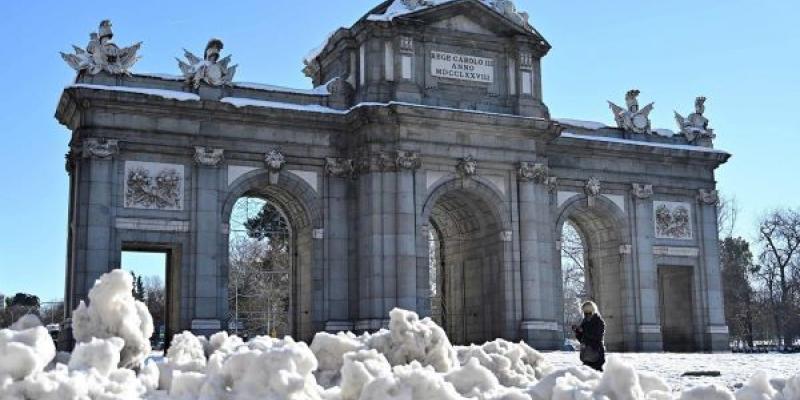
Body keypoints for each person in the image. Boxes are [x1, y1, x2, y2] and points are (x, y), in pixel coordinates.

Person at [571, 300, 606, 371]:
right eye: (584, 313)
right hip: (586, 355)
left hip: (596, 355)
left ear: (592, 311)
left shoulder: (599, 322)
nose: (586, 315)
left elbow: (597, 337)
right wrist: (577, 331)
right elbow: (582, 339)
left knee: (597, 375)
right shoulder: (585, 322)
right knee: (586, 376)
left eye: (588, 313)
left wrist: (584, 331)